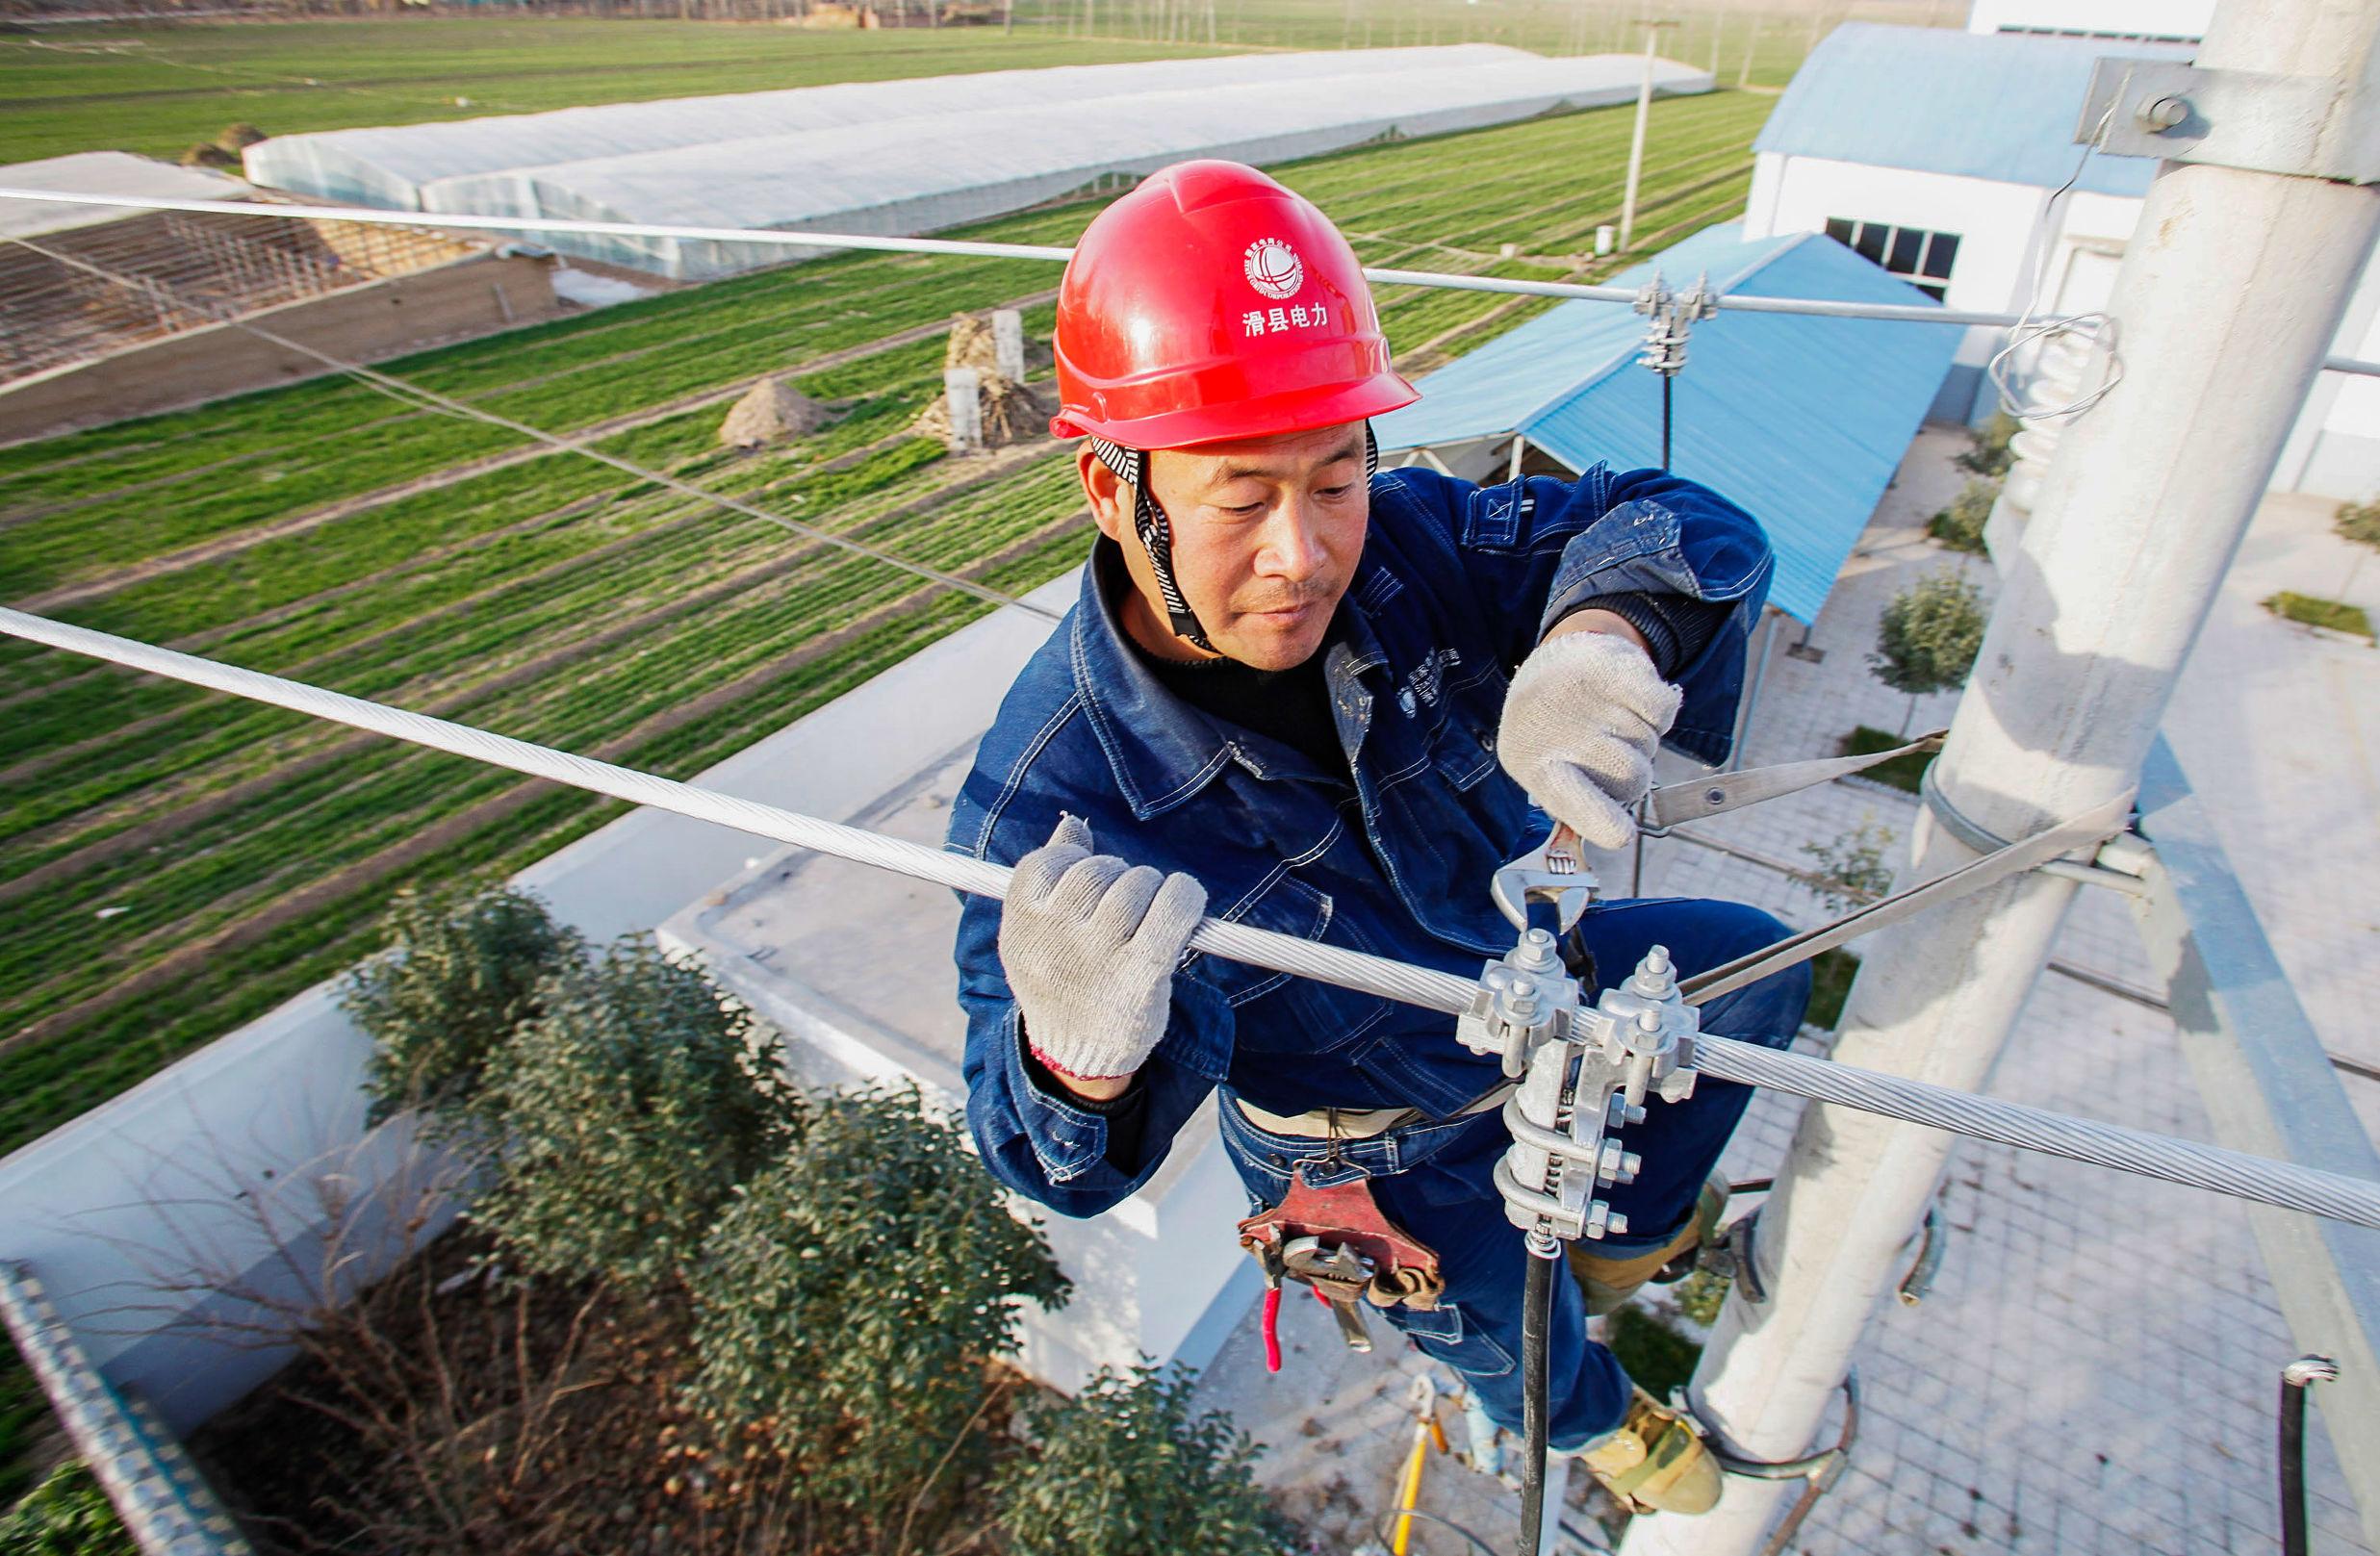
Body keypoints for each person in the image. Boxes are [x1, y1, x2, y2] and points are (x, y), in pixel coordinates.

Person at [946, 160, 1809, 1516]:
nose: (1304, 553)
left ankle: (1620, 1243)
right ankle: (1592, 1421)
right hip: (1366, 1145)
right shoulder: (1049, 804)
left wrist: (1603, 631)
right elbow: (1035, 1153)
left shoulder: (1409, 549)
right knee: (1524, 1346)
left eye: (1335, 476)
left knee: (1754, 970)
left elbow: (1679, 523)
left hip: (1527, 993)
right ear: (1111, 489)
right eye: (1240, 497)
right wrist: (1075, 1056)